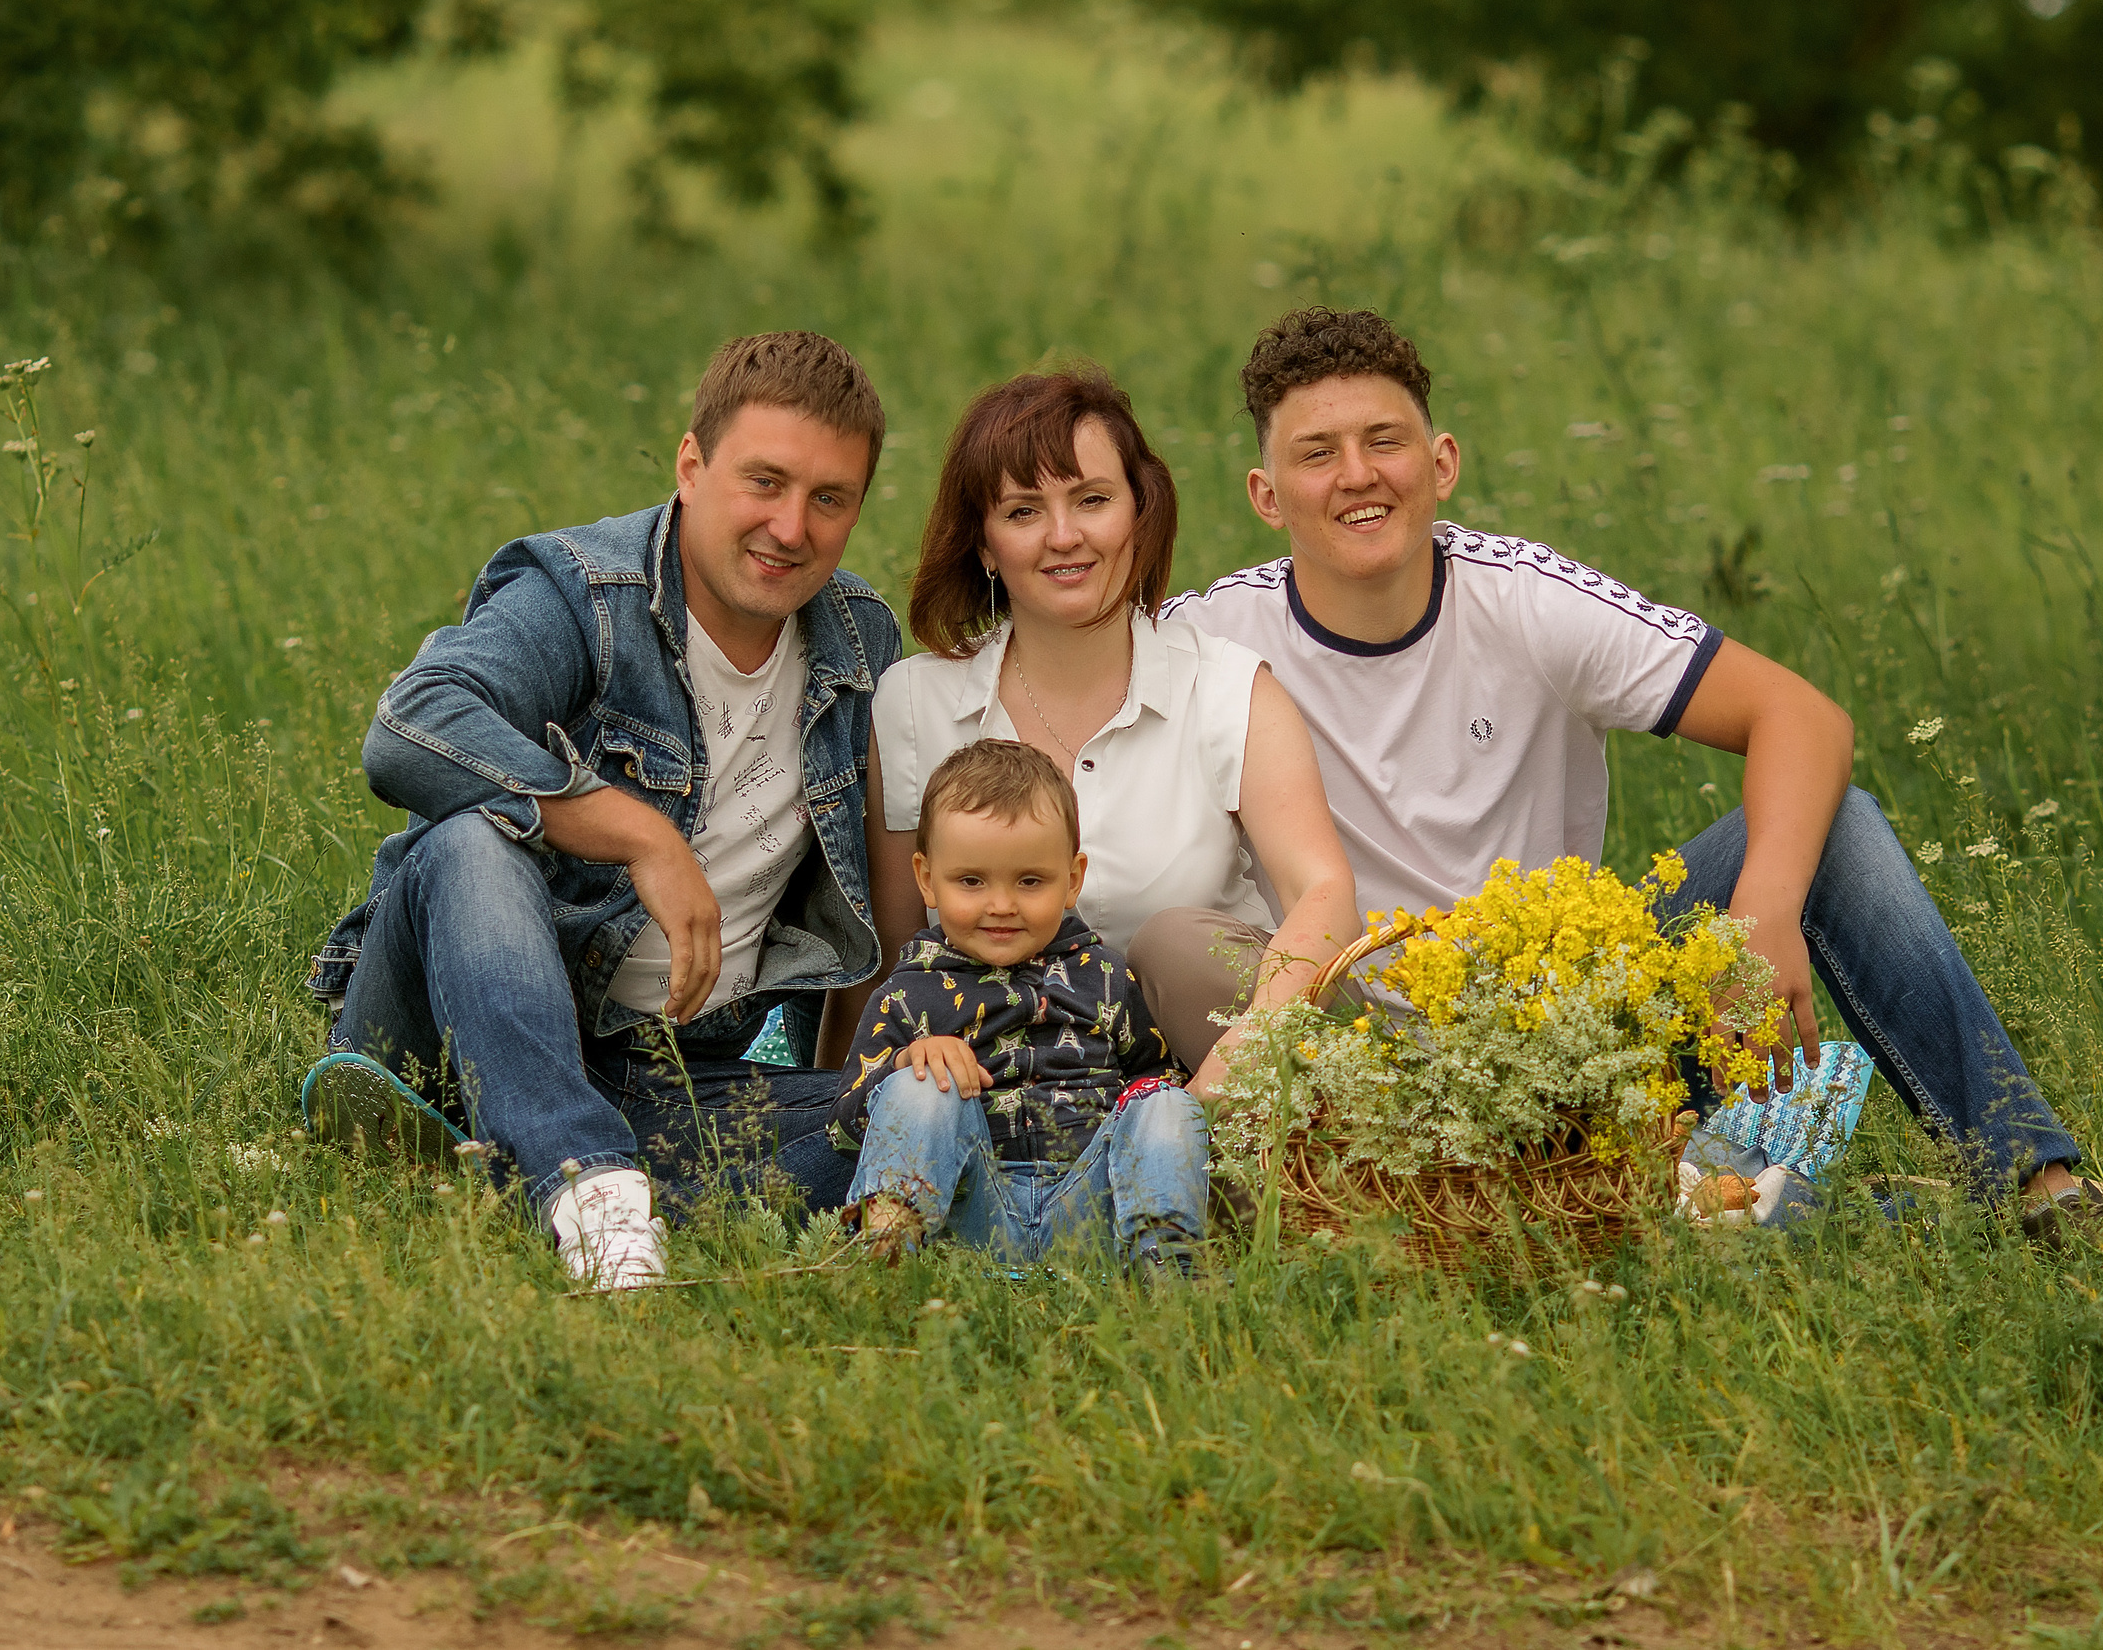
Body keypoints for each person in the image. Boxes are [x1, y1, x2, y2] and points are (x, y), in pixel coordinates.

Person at [1168, 307, 2103, 1240]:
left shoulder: (1528, 601)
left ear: (1442, 462)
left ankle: (2038, 1185)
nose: (1357, 476)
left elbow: (1802, 717)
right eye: (1316, 453)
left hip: (1580, 1025)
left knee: (1833, 824)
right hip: (1356, 1060)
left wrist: (1758, 922)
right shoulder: (1208, 636)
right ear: (1264, 494)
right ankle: (1773, 1201)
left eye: (1385, 440)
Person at [300, 332, 899, 1289]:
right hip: (452, 1024)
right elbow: (409, 725)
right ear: (692, 467)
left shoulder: (859, 640)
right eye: (765, 482)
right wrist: (638, 834)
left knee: (911, 1109)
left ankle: (517, 1169)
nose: (791, 527)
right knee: (469, 845)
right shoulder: (587, 593)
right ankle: (593, 1190)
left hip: (679, 1071)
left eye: (829, 499)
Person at [862, 367, 1358, 1101]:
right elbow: (893, 961)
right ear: (986, 545)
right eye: (1024, 511)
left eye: (1092, 500)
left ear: (1139, 513)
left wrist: (1219, 1084)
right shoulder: (912, 704)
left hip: (1229, 1074)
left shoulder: (1224, 687)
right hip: (1010, 1097)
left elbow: (1326, 892)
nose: (1065, 536)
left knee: (1176, 942)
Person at [832, 739, 1207, 1272]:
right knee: (920, 1082)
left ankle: (1165, 1267)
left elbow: (1155, 1072)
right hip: (967, 1212)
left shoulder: (1105, 976)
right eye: (971, 881)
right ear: (926, 879)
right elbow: (842, 1127)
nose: (1002, 905)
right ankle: (885, 1258)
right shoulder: (907, 993)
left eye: (1031, 881)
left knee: (1167, 1103)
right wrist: (904, 1062)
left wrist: (1154, 1099)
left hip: (1091, 1212)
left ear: (1073, 879)